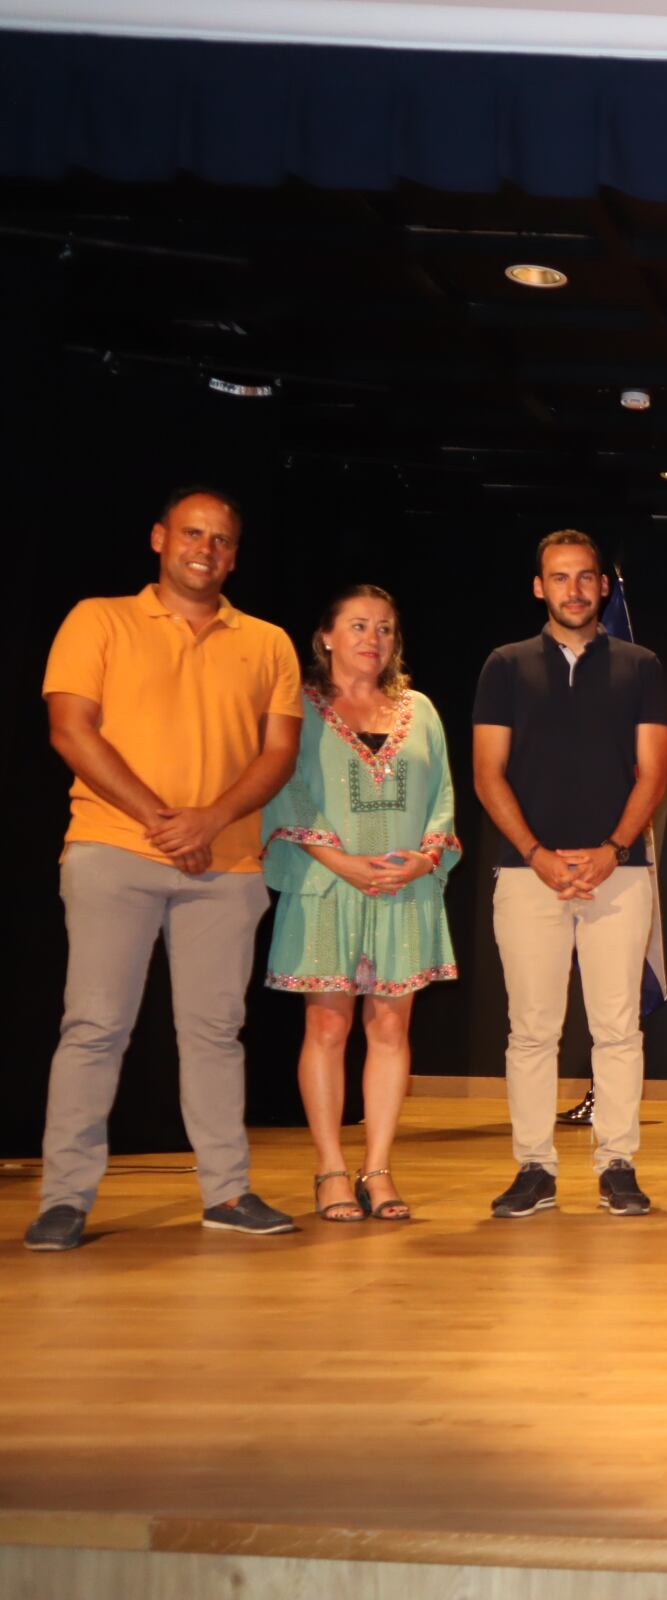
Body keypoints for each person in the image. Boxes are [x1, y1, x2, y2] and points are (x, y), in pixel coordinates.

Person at [27, 486, 304, 1251]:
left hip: (228, 863)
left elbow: (279, 752)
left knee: (216, 1032)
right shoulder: (98, 618)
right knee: (93, 1027)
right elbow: (69, 730)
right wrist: (161, 819)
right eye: (192, 534)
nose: (204, 550)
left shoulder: (268, 641)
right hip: (113, 850)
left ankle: (227, 1192)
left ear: (234, 555)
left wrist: (210, 820)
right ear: (159, 538)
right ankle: (64, 1199)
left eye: (220, 541)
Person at [472, 530, 667, 1220]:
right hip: (528, 875)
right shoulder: (503, 665)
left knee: (617, 1028)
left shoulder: (641, 665)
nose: (575, 590)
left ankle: (617, 1162)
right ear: (540, 587)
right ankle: (535, 1167)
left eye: (586, 577)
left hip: (619, 872)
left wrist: (614, 848)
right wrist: (537, 854)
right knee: (532, 1029)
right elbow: (487, 773)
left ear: (604, 586)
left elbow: (655, 770)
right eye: (560, 578)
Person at [261, 585, 461, 1222]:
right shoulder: (299, 707)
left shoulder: (421, 709)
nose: (372, 639)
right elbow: (285, 789)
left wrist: (427, 858)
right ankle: (329, 1169)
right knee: (327, 1025)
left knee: (391, 1028)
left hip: (404, 891)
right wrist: (341, 860)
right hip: (327, 889)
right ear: (325, 636)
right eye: (357, 626)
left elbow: (444, 797)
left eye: (383, 628)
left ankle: (378, 1167)